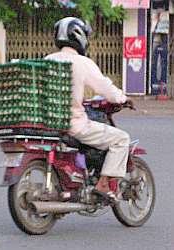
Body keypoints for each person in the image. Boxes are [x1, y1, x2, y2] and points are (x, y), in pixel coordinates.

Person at [45, 17, 132, 200]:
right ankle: (102, 184)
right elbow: (105, 89)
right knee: (121, 138)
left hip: (48, 123)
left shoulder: (47, 60)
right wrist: (123, 98)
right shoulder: (82, 62)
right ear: (80, 36)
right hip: (74, 125)